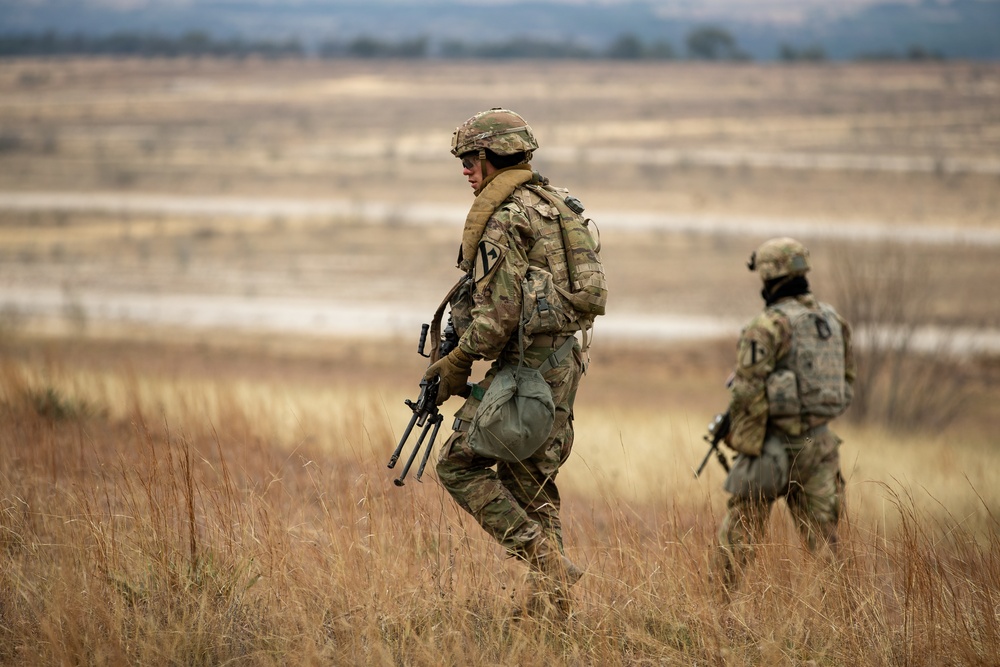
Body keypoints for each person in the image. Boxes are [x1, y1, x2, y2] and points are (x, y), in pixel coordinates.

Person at [423, 108, 606, 617]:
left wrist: (455, 365)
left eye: (470, 159)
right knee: (533, 487)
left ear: (492, 157)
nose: (465, 170)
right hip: (563, 363)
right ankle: (550, 619)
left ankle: (544, 561)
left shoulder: (505, 216)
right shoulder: (555, 204)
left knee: (458, 465)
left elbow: (497, 319)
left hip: (527, 373)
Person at [715, 237, 856, 592]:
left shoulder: (767, 326)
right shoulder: (833, 321)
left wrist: (745, 443)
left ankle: (712, 613)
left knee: (738, 540)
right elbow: (847, 384)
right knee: (825, 546)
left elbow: (746, 392)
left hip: (772, 449)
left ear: (767, 275)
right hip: (821, 444)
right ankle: (844, 627)